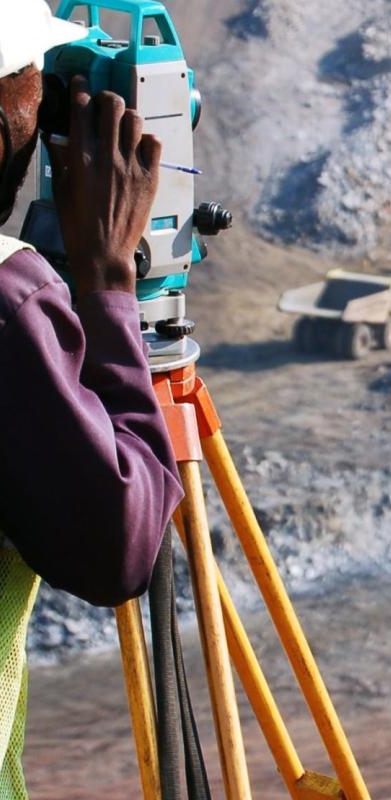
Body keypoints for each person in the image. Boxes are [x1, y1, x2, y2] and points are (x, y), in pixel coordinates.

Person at [0, 1, 183, 793]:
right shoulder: (10, 304)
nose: (47, 110)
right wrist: (107, 279)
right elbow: (122, 546)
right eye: (35, 85)